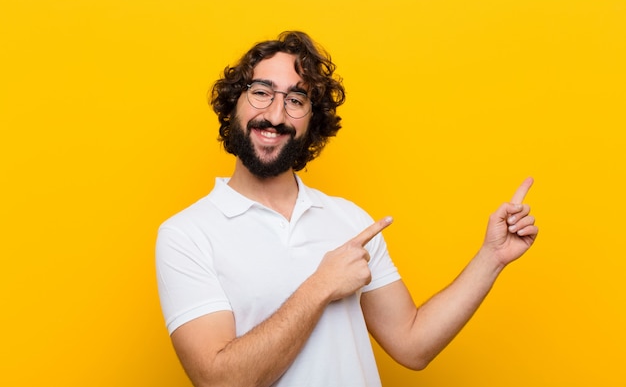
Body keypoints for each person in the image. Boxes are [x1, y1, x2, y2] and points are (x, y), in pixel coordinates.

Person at [156, 31, 538, 387]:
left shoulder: (349, 220)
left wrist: (492, 257)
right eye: (261, 92)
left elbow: (412, 343)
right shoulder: (186, 234)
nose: (275, 115)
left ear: (312, 121)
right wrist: (321, 286)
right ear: (233, 104)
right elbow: (219, 380)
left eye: (295, 100)